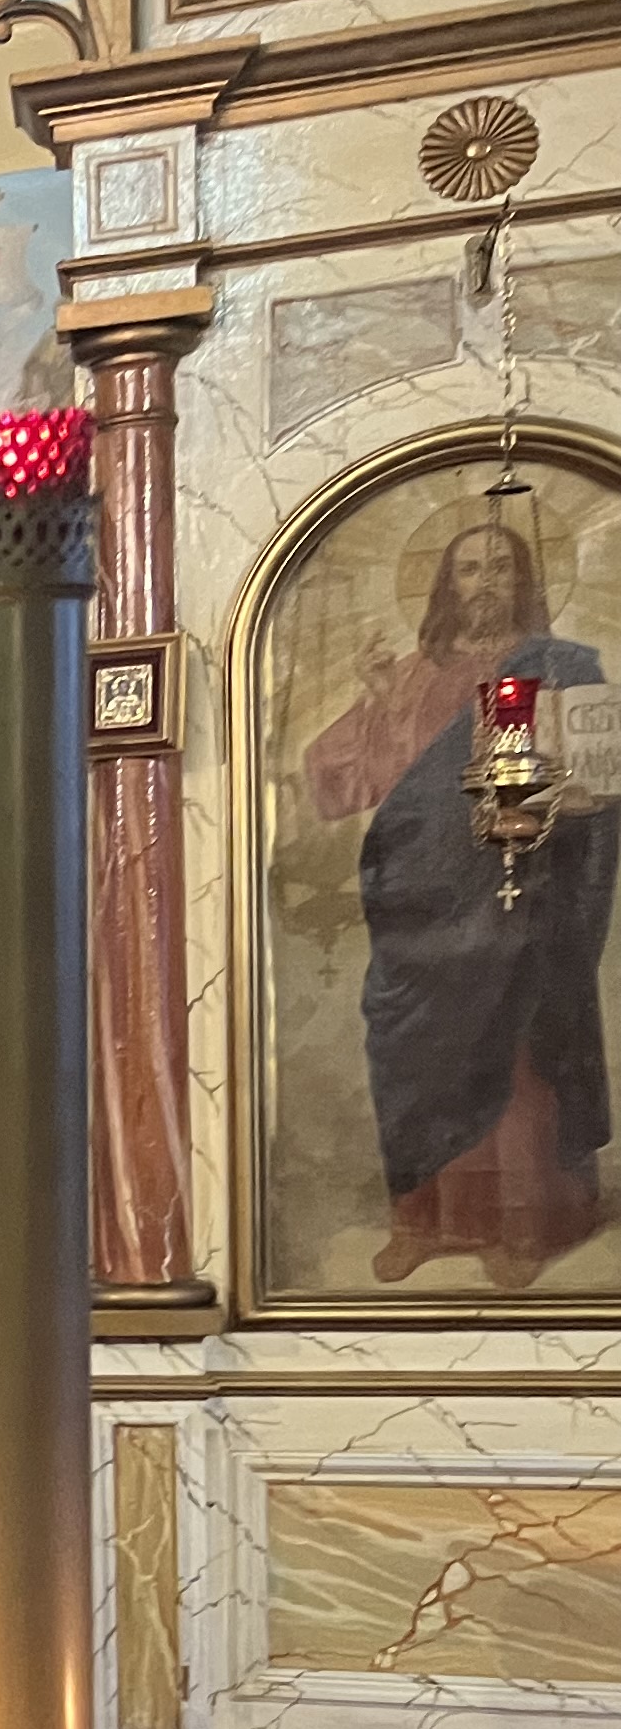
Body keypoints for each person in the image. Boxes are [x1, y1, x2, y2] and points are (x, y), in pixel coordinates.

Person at [301, 518, 614, 1286]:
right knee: (412, 1061)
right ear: (447, 584)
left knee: (516, 1062)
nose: (485, 582)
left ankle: (521, 1227)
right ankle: (423, 1222)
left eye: (500, 567)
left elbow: (601, 785)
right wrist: (380, 705)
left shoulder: (565, 668)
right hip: (421, 908)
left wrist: (559, 800)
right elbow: (348, 784)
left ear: (524, 579)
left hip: (522, 900)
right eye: (470, 569)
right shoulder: (409, 677)